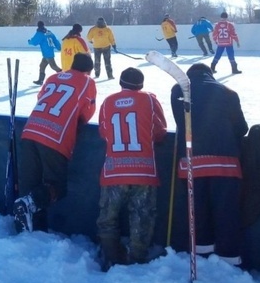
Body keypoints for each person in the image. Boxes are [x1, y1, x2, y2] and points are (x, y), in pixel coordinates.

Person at [170, 63, 248, 265]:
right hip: (225, 162)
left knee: (198, 212)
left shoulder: (178, 90)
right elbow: (242, 128)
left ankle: (202, 254)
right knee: (226, 212)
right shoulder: (228, 92)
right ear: (210, 74)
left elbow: (181, 122)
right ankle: (230, 258)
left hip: (191, 162)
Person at [14, 52, 97, 233]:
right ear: (88, 70)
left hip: (30, 130)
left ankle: (28, 231)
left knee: (30, 185)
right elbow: (87, 112)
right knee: (56, 187)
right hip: (54, 137)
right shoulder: (87, 81)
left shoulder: (53, 77)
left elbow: (41, 98)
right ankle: (28, 206)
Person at [96, 68, 167, 269]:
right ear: (141, 85)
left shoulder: (108, 101)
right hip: (143, 171)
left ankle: (111, 257)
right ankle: (137, 258)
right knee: (142, 215)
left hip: (113, 170)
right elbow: (160, 131)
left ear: (121, 83)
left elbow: (103, 131)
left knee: (108, 216)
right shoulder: (150, 100)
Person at [27, 20, 62, 85]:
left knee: (53, 66)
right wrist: (59, 47)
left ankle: (63, 75)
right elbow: (55, 40)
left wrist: (29, 41)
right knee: (42, 66)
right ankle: (40, 80)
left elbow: (34, 42)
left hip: (47, 53)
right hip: (48, 52)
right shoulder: (49, 32)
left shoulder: (40, 33)